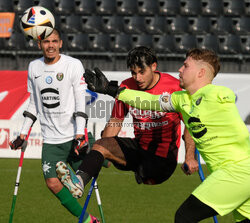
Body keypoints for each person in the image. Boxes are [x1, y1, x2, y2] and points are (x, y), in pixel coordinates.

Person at [83, 48, 250, 223]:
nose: (180, 69)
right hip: (234, 173)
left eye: (186, 66)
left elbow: (226, 96)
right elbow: (149, 101)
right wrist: (113, 90)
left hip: (236, 171)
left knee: (184, 217)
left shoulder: (218, 94)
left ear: (201, 72)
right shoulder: (180, 99)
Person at [56, 46, 197, 198]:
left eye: (142, 72)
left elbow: (190, 125)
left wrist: (189, 156)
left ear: (154, 66)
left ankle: (139, 171)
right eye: (133, 73)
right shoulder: (126, 87)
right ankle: (78, 182)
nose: (138, 78)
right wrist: (100, 152)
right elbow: (116, 120)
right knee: (101, 144)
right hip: (138, 149)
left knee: (146, 166)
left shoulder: (174, 87)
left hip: (162, 160)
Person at [9, 28, 99, 223]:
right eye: (46, 42)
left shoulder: (73, 65)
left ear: (61, 43)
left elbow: (79, 101)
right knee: (52, 183)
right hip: (51, 140)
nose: (51, 45)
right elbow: (34, 103)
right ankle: (87, 220)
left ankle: (82, 177)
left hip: (73, 134)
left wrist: (80, 134)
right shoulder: (34, 67)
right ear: (39, 44)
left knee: (98, 163)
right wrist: (23, 134)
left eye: (54, 41)